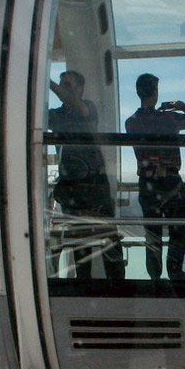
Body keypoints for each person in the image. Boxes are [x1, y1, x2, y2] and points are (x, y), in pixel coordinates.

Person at [123, 72, 185, 282]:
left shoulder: (131, 122)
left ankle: (154, 277)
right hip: (170, 181)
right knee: (178, 230)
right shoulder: (168, 118)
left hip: (148, 183)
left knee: (152, 233)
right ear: (155, 93)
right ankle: (175, 273)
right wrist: (182, 105)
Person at [46, 69, 122, 279]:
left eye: (68, 86)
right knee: (80, 245)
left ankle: (119, 289)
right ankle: (84, 287)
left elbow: (80, 109)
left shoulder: (88, 107)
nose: (63, 90)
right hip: (72, 188)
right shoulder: (56, 115)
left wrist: (52, 86)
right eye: (62, 85)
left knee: (108, 240)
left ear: (80, 89)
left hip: (95, 185)